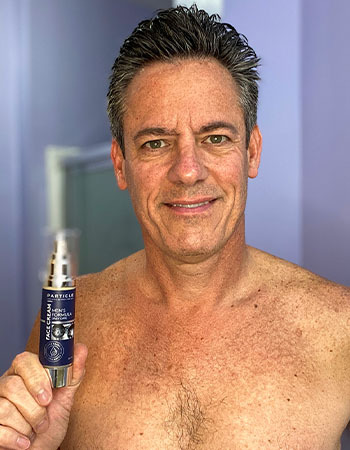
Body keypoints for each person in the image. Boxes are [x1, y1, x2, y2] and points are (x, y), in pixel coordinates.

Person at [1, 5, 349, 449]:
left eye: (216, 138)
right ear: (120, 163)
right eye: (156, 143)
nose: (187, 171)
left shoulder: (339, 328)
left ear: (253, 152)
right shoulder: (69, 321)